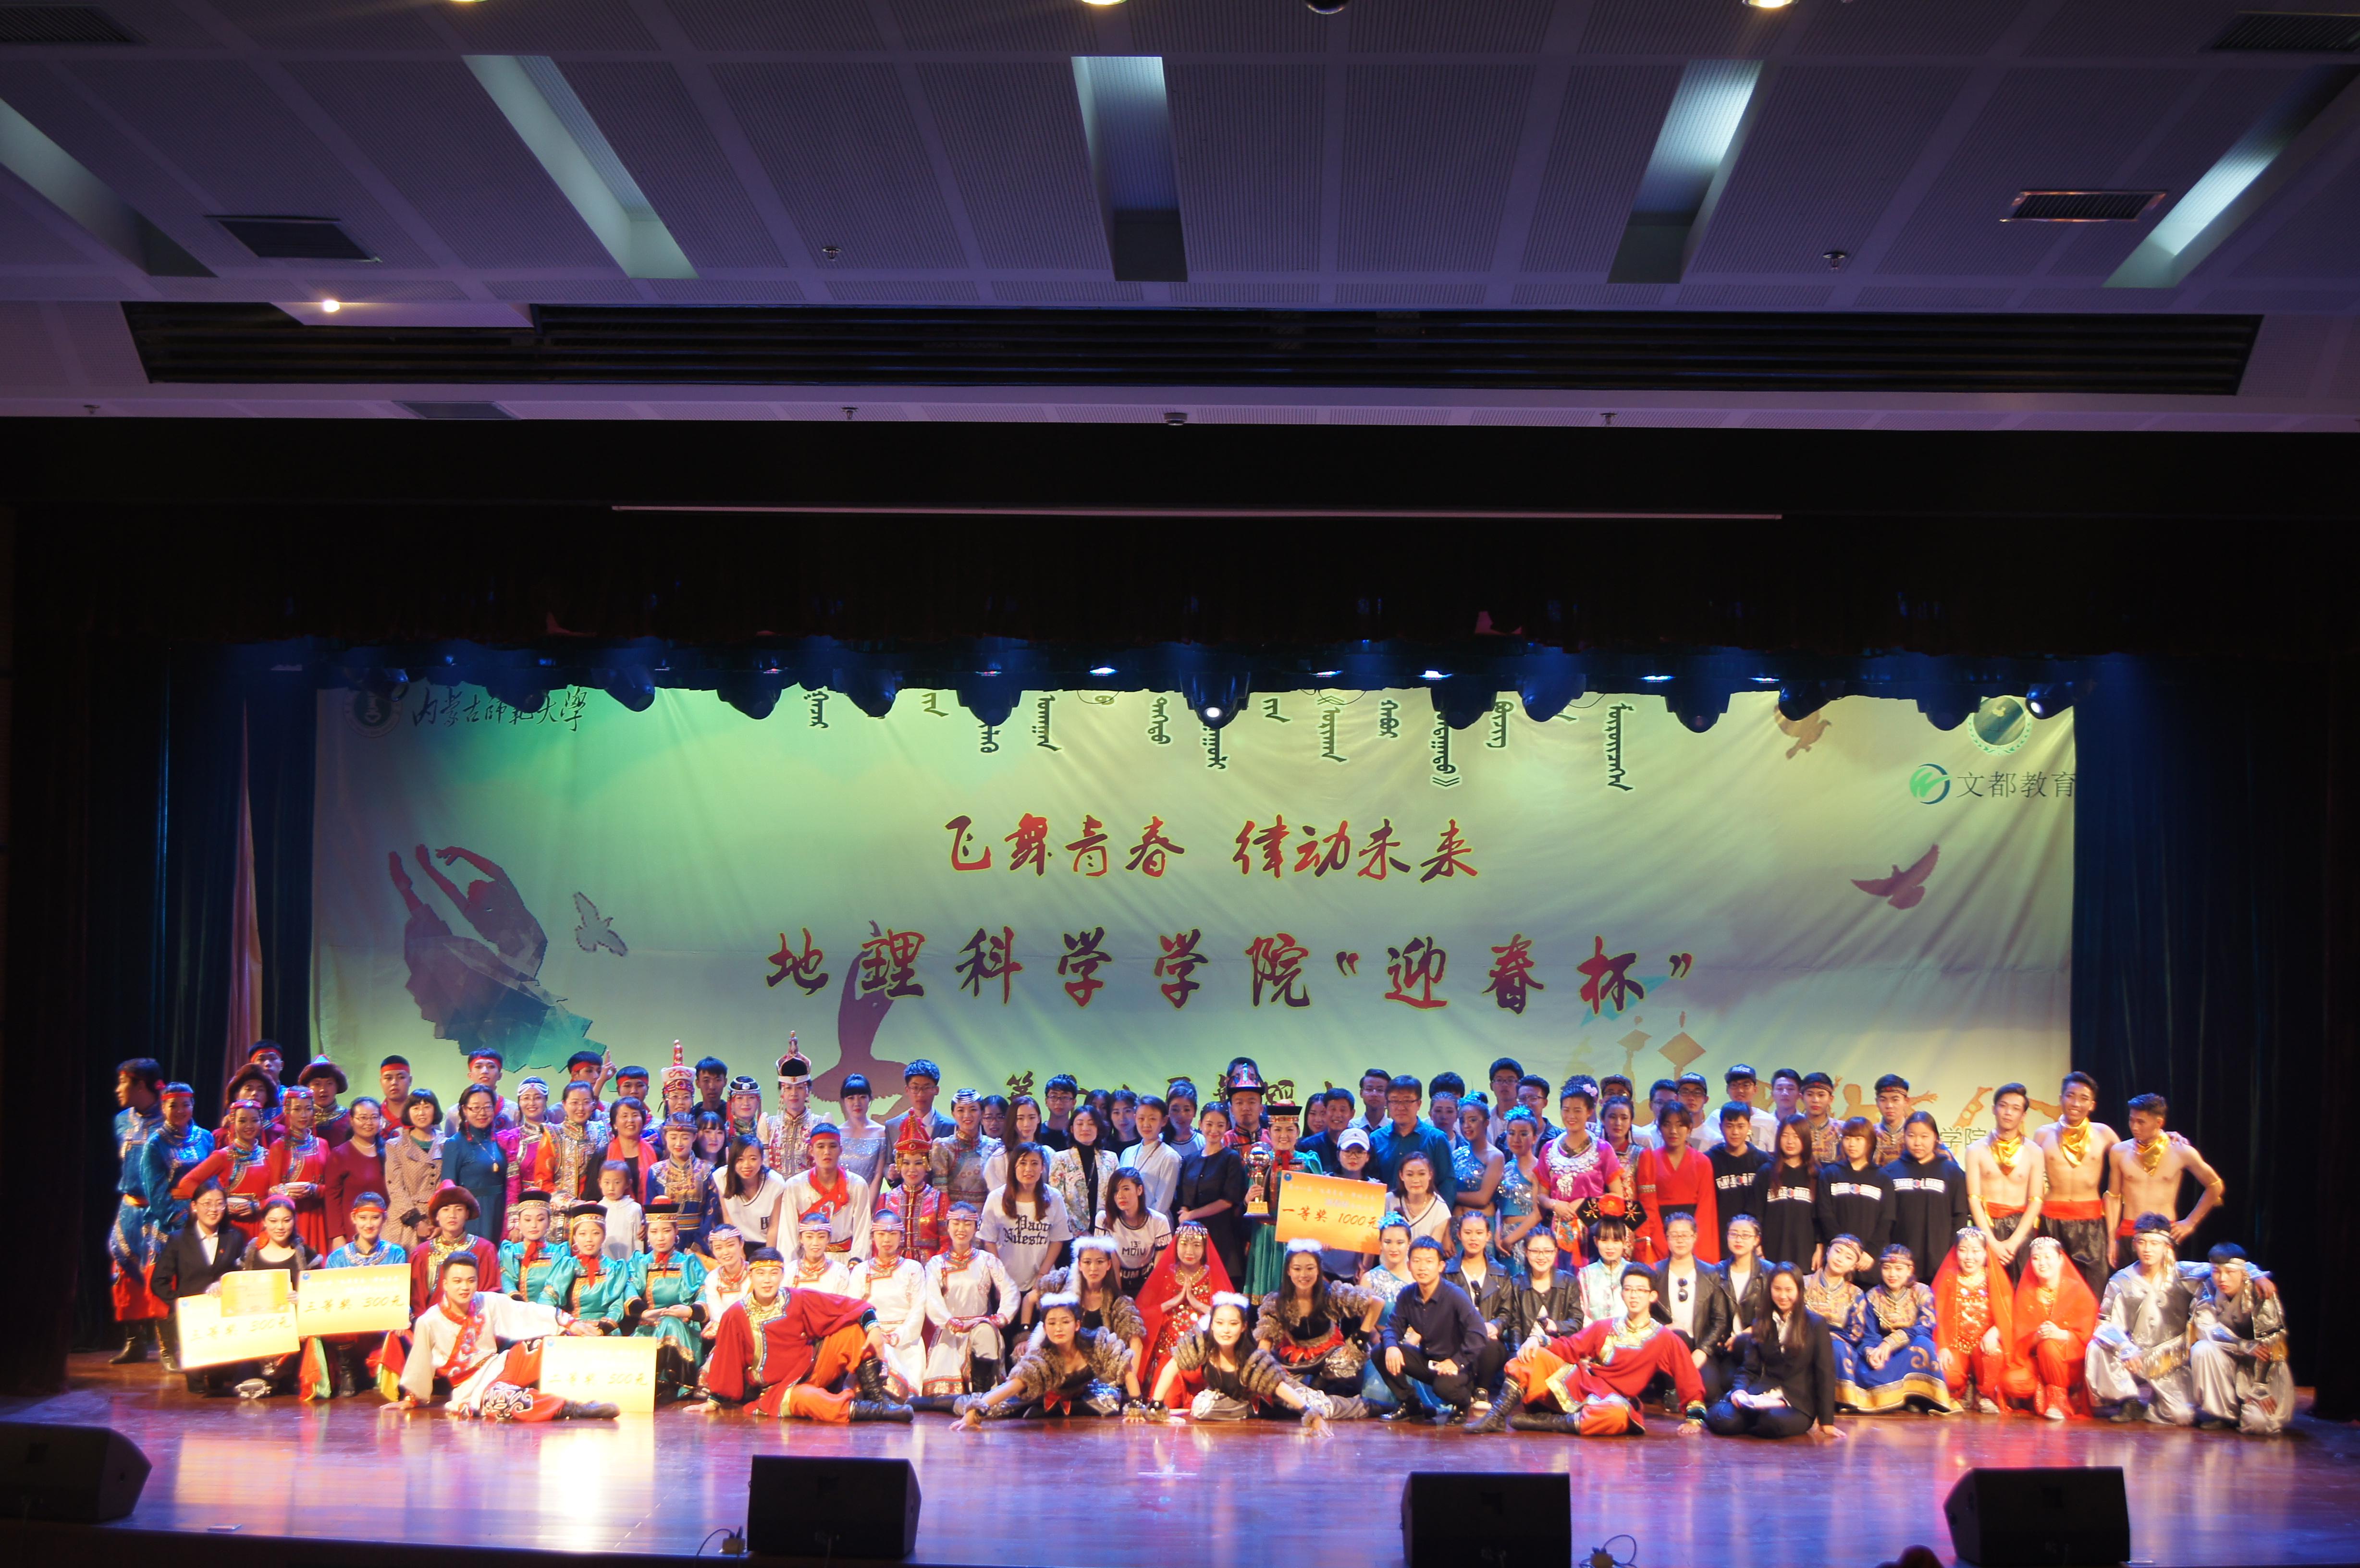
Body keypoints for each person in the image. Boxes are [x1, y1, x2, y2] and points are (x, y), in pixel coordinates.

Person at [1474, 1265, 1706, 1435]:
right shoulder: (1605, 1326)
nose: (1634, 1295)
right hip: (1584, 1385)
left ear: (1652, 1296)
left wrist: (1694, 1419)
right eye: (1629, 1289)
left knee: (1616, 1417)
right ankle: (1496, 1417)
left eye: (1641, 1290)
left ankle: (1545, 1423)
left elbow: (1687, 1374)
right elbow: (1570, 1348)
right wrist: (1539, 1340)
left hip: (1615, 1401)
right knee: (1533, 1356)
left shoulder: (1664, 1338)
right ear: (1622, 1293)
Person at [395, 1251, 619, 1421]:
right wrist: (412, 1398)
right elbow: (420, 1362)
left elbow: (525, 1312)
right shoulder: (429, 1321)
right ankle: (574, 1408)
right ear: (445, 1284)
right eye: (457, 1281)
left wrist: (569, 1322)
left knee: (551, 1343)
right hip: (473, 1387)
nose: (465, 1287)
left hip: (501, 1365)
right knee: (508, 1400)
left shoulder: (486, 1301)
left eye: (471, 1281)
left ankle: (605, 1386)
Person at [1155, 1293, 1368, 1431]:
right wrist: (1157, 1407)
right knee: (1202, 1407)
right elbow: (1170, 1369)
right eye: (1220, 1323)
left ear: (1243, 1327)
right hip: (1246, 1404)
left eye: (1233, 1324)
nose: (1226, 1330)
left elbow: (1280, 1387)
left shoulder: (1250, 1358)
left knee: (1326, 1408)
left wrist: (1309, 1413)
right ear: (1212, 1325)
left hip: (1279, 1395)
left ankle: (1373, 1405)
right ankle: (1255, 1410)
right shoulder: (1202, 1346)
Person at [1703, 1262, 1843, 1441]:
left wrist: (1827, 1422)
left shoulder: (1816, 1324)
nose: (1783, 1296)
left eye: (1789, 1290)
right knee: (1723, 1419)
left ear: (1799, 1290)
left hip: (1796, 1403)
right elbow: (1749, 1369)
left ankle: (1750, 1423)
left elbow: (1826, 1373)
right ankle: (1747, 1420)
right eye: (1777, 1289)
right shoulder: (1762, 1322)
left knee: (1773, 1422)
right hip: (1762, 1396)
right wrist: (1739, 1391)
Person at [2085, 1213, 2200, 1425]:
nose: (2148, 1249)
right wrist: (2125, 1347)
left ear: (2167, 1246)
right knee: (2097, 1347)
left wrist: (2254, 1273)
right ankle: (2129, 1400)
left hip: (2170, 1360)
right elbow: (2105, 1324)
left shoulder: (2183, 1274)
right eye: (2142, 1242)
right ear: (2135, 1244)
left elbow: (2221, 1269)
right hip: (2135, 1357)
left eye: (2155, 1244)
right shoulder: (2121, 1280)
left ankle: (2155, 1405)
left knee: (2183, 1416)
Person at [1378, 1236, 1507, 1423]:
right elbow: (1393, 1327)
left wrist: (1457, 1362)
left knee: (1444, 1387)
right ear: (1409, 1265)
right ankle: (1411, 1404)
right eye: (1417, 1261)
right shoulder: (1407, 1295)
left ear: (1441, 1266)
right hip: (1428, 1361)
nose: (1422, 1267)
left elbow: (1478, 1331)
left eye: (1429, 1262)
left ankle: (1463, 1404)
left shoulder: (1454, 1294)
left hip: (1457, 1365)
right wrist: (1391, 1346)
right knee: (1381, 1351)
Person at [958, 1293, 1141, 1424]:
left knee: (1110, 1403)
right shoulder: (1042, 1358)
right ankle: (944, 1402)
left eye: (1065, 1322)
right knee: (984, 1407)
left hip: (1084, 1396)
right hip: (1039, 1398)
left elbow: (1127, 1369)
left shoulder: (1097, 1343)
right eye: (1052, 1323)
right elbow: (1013, 1386)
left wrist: (1136, 1407)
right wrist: (975, 1410)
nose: (1058, 1329)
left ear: (1077, 1325)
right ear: (1045, 1328)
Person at [2105, 1092, 2224, 1268]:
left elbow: (2215, 1185)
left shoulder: (2180, 1151)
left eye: (2141, 1122)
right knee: (2128, 1284)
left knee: (2164, 1285)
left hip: (2163, 1233)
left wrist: (2190, 1223)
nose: (2134, 1127)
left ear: (2159, 1123)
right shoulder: (2120, 1151)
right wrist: (2111, 1239)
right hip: (2129, 1232)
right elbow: (2113, 1197)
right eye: (2131, 1120)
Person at [311, 1191, 408, 1399]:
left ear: (384, 1219)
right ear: (354, 1218)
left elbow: (400, 1292)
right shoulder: (338, 1257)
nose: (369, 1224)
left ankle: (381, 1371)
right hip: (349, 1323)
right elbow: (331, 1297)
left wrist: (402, 1315)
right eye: (363, 1218)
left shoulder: (396, 1253)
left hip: (383, 1320)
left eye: (375, 1218)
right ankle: (347, 1370)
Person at [152, 1182, 248, 1392]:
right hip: (192, 1321)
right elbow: (159, 1281)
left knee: (221, 1384)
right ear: (194, 1206)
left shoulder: (234, 1237)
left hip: (224, 1316)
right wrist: (179, 1304)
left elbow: (243, 1275)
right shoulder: (179, 1240)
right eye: (207, 1204)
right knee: (197, 1388)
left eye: (220, 1204)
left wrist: (226, 1285)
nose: (213, 1209)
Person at [1257, 1238, 1384, 1396]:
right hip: (1293, 1361)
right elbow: (1265, 1344)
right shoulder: (1277, 1302)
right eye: (1297, 1269)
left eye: (1310, 1268)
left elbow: (1377, 1303)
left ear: (1319, 1269)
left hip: (1328, 1355)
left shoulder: (1332, 1294)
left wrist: (1361, 1337)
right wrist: (1264, 1366)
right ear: (1289, 1271)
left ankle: (1319, 1386)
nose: (1304, 1275)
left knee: (1349, 1362)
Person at [2188, 1243, 2292, 1433]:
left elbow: (2271, 1343)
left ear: (2243, 1272)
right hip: (2229, 1357)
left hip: (2262, 1368)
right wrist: (2243, 1345)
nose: (2222, 1278)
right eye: (2217, 1272)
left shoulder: (2260, 1290)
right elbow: (2207, 1329)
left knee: (2258, 1424)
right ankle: (2223, 1414)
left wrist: (2261, 1386)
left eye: (2230, 1272)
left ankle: (2251, 1409)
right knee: (2202, 1349)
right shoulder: (2208, 1286)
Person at [107, 1062, 172, 1365]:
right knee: (124, 1275)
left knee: (159, 1275)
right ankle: (135, 1342)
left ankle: (167, 1346)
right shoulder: (122, 1121)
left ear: (141, 1086)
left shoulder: (170, 1120)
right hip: (129, 1208)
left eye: (123, 1083)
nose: (118, 1090)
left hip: (159, 1210)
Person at [2033, 1070, 2118, 1301]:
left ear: (2092, 1105)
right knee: (2050, 1291)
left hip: (2091, 1223)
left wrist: (2166, 1137)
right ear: (2060, 1098)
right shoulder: (2043, 1134)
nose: (2076, 1103)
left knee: (2093, 1293)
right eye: (2070, 1096)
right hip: (2052, 1220)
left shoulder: (2104, 1133)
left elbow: (2133, 1157)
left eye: (2083, 1098)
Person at [1835, 1245, 1951, 1413]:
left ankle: (1919, 1397)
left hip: (1909, 1350)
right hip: (1885, 1356)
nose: (1892, 1274)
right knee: (1860, 1365)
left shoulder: (1922, 1292)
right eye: (1887, 1268)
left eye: (1899, 1269)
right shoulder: (1872, 1296)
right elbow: (1869, 1336)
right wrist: (1872, 1354)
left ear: (1910, 1270)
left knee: (1924, 1345)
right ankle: (1894, 1399)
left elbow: (1926, 1327)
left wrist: (1891, 1343)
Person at [221, 1195, 315, 1399]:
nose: (280, 1227)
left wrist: (303, 1298)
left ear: (295, 1220)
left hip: (295, 1330)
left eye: (286, 1220)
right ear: (264, 1222)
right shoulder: (252, 1253)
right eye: (273, 1221)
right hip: (258, 1328)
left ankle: (284, 1378)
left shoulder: (305, 1254)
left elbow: (319, 1292)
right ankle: (257, 1379)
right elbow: (235, 1287)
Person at [922, 1203, 1018, 1397]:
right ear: (948, 1226)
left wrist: (998, 1319)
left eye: (968, 1224)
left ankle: (982, 1398)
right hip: (950, 1333)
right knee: (944, 1396)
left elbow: (1011, 1289)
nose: (961, 1229)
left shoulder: (987, 1260)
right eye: (956, 1223)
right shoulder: (937, 1264)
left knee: (985, 1339)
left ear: (976, 1228)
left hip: (980, 1329)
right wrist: (953, 1324)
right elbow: (932, 1299)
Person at [2003, 1234, 2099, 1420]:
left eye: (2048, 1257)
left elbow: (2090, 1335)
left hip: (2069, 1362)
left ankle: (2058, 1400)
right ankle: (2042, 1393)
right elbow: (2019, 1341)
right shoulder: (2026, 1293)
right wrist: (2036, 1338)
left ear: (2061, 1260)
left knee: (2049, 1347)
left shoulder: (2077, 1290)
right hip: (2038, 1365)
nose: (2042, 1263)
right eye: (2036, 1258)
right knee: (2010, 1382)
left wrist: (2061, 1335)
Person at [1138, 1220, 1231, 1396]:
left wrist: (1199, 1305)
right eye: (1184, 1244)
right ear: (1175, 1245)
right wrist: (1171, 1303)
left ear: (1204, 1248)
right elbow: (1142, 1315)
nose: (1190, 1251)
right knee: (1167, 1400)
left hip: (1203, 1355)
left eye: (1196, 1245)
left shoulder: (1213, 1276)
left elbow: (1230, 1318)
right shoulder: (1165, 1273)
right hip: (1168, 1353)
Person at [1966, 1083, 2046, 1284]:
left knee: (2022, 1290)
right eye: (2003, 1106)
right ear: (1994, 1109)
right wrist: (1991, 1242)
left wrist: (2015, 1241)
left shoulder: (2035, 1152)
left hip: (2021, 1230)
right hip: (1987, 1226)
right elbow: (1974, 1199)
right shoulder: (1976, 1150)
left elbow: (2036, 1200)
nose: (2008, 1113)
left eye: (2016, 1108)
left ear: (2024, 1115)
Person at [1653, 1212, 1736, 1404]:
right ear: (1666, 1238)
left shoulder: (1711, 1273)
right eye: (1674, 1235)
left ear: (1695, 1237)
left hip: (1700, 1344)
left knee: (1709, 1391)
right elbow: (1646, 1314)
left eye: (1685, 1235)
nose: (1680, 1240)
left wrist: (1703, 1350)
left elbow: (1720, 1320)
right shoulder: (1655, 1272)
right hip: (1667, 1346)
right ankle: (1672, 1387)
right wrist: (1662, 1329)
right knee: (1677, 1335)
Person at [630, 1200, 709, 1397]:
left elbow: (704, 1292)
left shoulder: (688, 1262)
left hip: (683, 1328)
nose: (660, 1237)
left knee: (670, 1323)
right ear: (647, 1235)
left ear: (676, 1232)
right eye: (654, 1232)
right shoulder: (641, 1263)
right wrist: (645, 1313)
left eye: (666, 1231)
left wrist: (689, 1311)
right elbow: (630, 1290)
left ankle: (669, 1381)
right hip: (648, 1328)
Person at [1931, 1226, 2013, 1412]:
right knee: (1948, 1376)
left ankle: (1985, 1395)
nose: (1969, 1257)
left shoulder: (1994, 1278)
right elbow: (1936, 1316)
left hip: (1984, 1346)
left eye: (1976, 1251)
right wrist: (1942, 1347)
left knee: (1994, 1354)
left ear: (1985, 1253)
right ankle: (1963, 1388)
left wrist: (1995, 1333)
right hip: (1955, 1346)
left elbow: (2008, 1315)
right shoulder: (1949, 1277)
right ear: (1956, 1252)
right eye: (1963, 1250)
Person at [1539, 1086, 1622, 1265]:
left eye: (1578, 1110)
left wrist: (1586, 1203)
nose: (1571, 1116)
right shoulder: (1548, 1149)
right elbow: (1542, 1196)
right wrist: (1555, 1204)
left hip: (1592, 1230)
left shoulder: (1603, 1149)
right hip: (1559, 1229)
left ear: (1589, 1112)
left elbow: (1618, 1196)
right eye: (1566, 1110)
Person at [1885, 1111, 1970, 1283]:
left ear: (1936, 1138)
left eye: (1925, 1136)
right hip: (1901, 1264)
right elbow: (1885, 1219)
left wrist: (1953, 1252)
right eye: (1911, 1136)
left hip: (1941, 1262)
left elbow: (1960, 1216)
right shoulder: (1890, 1172)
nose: (1918, 1142)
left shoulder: (1952, 1172)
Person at [850, 1212, 929, 1397]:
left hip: (906, 1344)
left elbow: (918, 1310)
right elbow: (854, 1309)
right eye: (881, 1234)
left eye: (893, 1234)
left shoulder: (913, 1268)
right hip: (871, 1338)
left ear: (902, 1237)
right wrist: (874, 1334)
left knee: (904, 1396)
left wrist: (895, 1337)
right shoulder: (860, 1271)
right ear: (873, 1237)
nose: (887, 1239)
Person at [175, 1098, 276, 1238]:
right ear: (233, 1123)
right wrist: (216, 1204)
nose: (249, 1126)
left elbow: (278, 1193)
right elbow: (187, 1182)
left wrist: (259, 1205)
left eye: (255, 1120)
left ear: (261, 1123)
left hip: (262, 1226)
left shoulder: (268, 1156)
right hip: (231, 1228)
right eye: (242, 1121)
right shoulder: (223, 1156)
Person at [535, 1203, 643, 1332]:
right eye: (583, 1234)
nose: (589, 1240)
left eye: (596, 1233)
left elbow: (617, 1306)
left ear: (604, 1236)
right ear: (575, 1237)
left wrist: (602, 1330)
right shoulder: (566, 1266)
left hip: (605, 1331)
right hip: (573, 1329)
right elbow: (548, 1298)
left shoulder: (615, 1269)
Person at [1634, 1104, 1719, 1266]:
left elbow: (1706, 1210)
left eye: (1680, 1125)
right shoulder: (1649, 1160)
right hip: (1658, 1232)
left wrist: (1693, 1243)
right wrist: (1661, 1243)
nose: (1673, 1131)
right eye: (1667, 1125)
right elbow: (1647, 1205)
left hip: (1693, 1233)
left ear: (1689, 1128)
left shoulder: (1703, 1162)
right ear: (1659, 1128)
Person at [1175, 1105, 1248, 1284]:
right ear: (1200, 1124)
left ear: (1227, 1127)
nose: (1214, 1130)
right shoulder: (1189, 1160)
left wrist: (1191, 1215)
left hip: (1222, 1235)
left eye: (1220, 1125)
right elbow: (1183, 1196)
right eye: (1209, 1124)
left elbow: (1229, 1200)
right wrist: (1185, 1217)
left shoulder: (1231, 1158)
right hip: (1192, 1238)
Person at [782, 1122, 872, 1263]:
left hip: (845, 1260)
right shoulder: (795, 1185)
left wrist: (857, 1264)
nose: (827, 1152)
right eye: (820, 1146)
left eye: (833, 1146)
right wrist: (790, 1268)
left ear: (841, 1149)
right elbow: (788, 1234)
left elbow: (863, 1231)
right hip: (806, 1261)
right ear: (811, 1151)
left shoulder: (857, 1185)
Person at [1818, 1117, 1892, 1283]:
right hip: (1838, 1260)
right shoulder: (1831, 1174)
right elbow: (1825, 1214)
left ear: (1870, 1142)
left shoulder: (1882, 1178)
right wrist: (1844, 1250)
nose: (1852, 1144)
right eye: (1848, 1138)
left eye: (1859, 1139)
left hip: (1868, 1261)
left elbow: (1886, 1219)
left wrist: (1871, 1252)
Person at [1045, 1104, 1120, 1257]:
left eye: (1091, 1123)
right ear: (1072, 1129)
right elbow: (1058, 1199)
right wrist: (1081, 1232)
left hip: (1105, 1233)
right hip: (1069, 1236)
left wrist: (1104, 1227)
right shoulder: (1060, 1159)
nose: (1085, 1128)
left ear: (1098, 1128)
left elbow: (1117, 1194)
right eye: (1080, 1124)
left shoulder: (1111, 1158)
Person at [1496, 1228, 1584, 1350]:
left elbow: (1577, 1321)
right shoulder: (1516, 1283)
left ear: (1555, 1252)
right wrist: (1517, 1353)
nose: (1541, 1257)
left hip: (1559, 1349)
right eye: (1535, 1251)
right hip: (1527, 1351)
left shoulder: (1569, 1282)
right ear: (1526, 1252)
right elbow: (1515, 1327)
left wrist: (1558, 1326)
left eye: (1548, 1251)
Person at [443, 1085, 509, 1243]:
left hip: (502, 1211)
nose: (482, 1113)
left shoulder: (502, 1140)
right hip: (474, 1215)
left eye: (487, 1107)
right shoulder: (455, 1144)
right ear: (464, 1110)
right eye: (476, 1108)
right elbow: (448, 1189)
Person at [320, 1097, 386, 1252]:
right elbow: (332, 1199)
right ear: (351, 1120)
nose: (369, 1123)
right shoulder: (340, 1155)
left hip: (386, 1230)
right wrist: (337, 1236)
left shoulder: (390, 1150)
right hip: (352, 1233)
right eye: (363, 1118)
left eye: (374, 1117)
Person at [1369, 1075, 1454, 1191]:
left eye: (1407, 1101)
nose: (1401, 1107)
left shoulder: (1436, 1139)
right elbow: (1371, 1180)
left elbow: (1447, 1182)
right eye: (1395, 1101)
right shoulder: (1376, 1138)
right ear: (1387, 1104)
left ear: (1419, 1104)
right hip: (1385, 1202)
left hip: (1427, 1202)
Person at [709, 1135, 791, 1250]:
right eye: (740, 1160)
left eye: (753, 1159)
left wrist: (768, 1255)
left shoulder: (775, 1182)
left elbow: (774, 1226)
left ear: (762, 1159)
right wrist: (738, 1250)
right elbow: (728, 1218)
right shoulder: (722, 1177)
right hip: (737, 1243)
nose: (746, 1165)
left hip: (766, 1244)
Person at [1707, 1102, 1771, 1247]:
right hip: (1720, 1241)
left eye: (1741, 1126)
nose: (1735, 1132)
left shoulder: (1763, 1161)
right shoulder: (1709, 1161)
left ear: (1749, 1127)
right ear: (1720, 1127)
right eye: (1729, 1126)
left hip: (1754, 1242)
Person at [1806, 1236, 1867, 1386]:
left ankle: (1839, 1395)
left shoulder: (1855, 1294)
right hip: (1803, 1339)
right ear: (1828, 1252)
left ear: (1854, 1266)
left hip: (1838, 1346)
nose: (1840, 1259)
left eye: (1848, 1257)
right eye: (1838, 1252)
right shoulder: (1803, 1283)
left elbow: (1856, 1332)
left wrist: (1827, 1338)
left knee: (1837, 1349)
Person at [646, 1113, 712, 1249]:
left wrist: (700, 1244)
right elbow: (651, 1214)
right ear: (665, 1137)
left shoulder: (707, 1170)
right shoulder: (656, 1171)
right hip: (665, 1239)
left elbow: (711, 1212)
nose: (679, 1143)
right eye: (673, 1137)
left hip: (698, 1239)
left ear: (694, 1137)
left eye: (685, 1138)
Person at [878, 1136, 946, 1263]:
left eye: (919, 1163)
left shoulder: (939, 1199)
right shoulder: (886, 1199)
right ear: (899, 1164)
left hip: (930, 1267)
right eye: (906, 1163)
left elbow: (946, 1242)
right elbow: (877, 1243)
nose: (912, 1169)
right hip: (893, 1267)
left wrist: (936, 1268)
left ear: (927, 1164)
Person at [1105, 1168, 1171, 1295]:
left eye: (1126, 1189)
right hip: (1116, 1284)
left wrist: (1148, 1298)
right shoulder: (1105, 1219)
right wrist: (1120, 1298)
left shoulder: (1159, 1221)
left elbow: (1160, 1268)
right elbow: (1113, 1264)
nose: (1120, 1196)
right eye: (1115, 1191)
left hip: (1148, 1284)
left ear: (1139, 1190)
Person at [931, 1089, 1000, 1208]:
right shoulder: (943, 1147)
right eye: (961, 1110)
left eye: (973, 1110)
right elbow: (940, 1192)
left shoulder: (995, 1147)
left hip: (987, 1213)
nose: (967, 1116)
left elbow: (999, 1191)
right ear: (953, 1114)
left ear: (982, 1113)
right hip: (954, 1215)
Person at [1120, 1095, 1182, 1215]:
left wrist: (1141, 1222)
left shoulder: (1170, 1157)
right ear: (1135, 1118)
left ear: (1164, 1121)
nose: (1146, 1124)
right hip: (1126, 1220)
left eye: (1153, 1119)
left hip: (1154, 1222)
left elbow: (1162, 1203)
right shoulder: (1128, 1152)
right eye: (1141, 1118)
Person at [1495, 1109, 1544, 1261]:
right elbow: (1500, 1205)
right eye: (1511, 1133)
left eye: (1523, 1134)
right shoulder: (1507, 1167)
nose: (1516, 1139)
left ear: (1534, 1138)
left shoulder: (1538, 1169)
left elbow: (1538, 1213)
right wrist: (1498, 1232)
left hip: (1526, 1237)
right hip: (1503, 1238)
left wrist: (1510, 1239)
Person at [759, 1049, 816, 1179]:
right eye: (789, 1088)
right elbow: (763, 1165)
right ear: (782, 1092)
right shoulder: (768, 1124)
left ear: (808, 1091)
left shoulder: (820, 1124)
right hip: (775, 1188)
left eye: (800, 1088)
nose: (794, 1093)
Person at [1720, 1214, 1771, 1354]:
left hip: (1758, 1343)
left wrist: (1750, 1332)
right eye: (1733, 1234)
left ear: (1756, 1240)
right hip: (1724, 1346)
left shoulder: (1770, 1272)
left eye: (1745, 1235)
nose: (1739, 1240)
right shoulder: (1717, 1271)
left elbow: (1776, 1314)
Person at [1576, 1215, 1638, 1329]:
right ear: (1596, 1241)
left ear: (1625, 1242)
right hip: (1595, 1334)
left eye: (1616, 1241)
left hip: (1629, 1334)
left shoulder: (1634, 1272)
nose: (1610, 1247)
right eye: (1604, 1240)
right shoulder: (1586, 1275)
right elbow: (1581, 1312)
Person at [500, 1189, 562, 1302]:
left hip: (549, 1309)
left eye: (541, 1219)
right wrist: (514, 1296)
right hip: (517, 1308)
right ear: (519, 1222)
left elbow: (558, 1285)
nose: (534, 1225)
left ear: (549, 1222)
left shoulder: (559, 1252)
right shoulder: (510, 1251)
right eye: (528, 1220)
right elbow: (506, 1279)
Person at [835, 1074, 893, 1190]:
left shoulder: (881, 1133)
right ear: (843, 1101)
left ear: (870, 1099)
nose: (857, 1103)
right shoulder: (836, 1134)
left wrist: (868, 1202)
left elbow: (878, 1176)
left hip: (870, 1197)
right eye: (851, 1098)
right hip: (839, 1197)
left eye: (862, 1097)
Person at [883, 1058, 955, 1150]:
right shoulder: (892, 1126)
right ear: (907, 1090)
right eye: (915, 1088)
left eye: (927, 1088)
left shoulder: (952, 1127)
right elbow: (889, 1159)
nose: (921, 1094)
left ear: (936, 1090)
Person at [699, 1226, 752, 1346]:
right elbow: (717, 1315)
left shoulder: (755, 1273)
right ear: (713, 1251)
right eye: (719, 1248)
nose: (726, 1252)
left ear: (741, 1244)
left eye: (731, 1245)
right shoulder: (713, 1278)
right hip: (727, 1334)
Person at [1392, 1151, 1453, 1253]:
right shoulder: (1388, 1201)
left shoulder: (1440, 1208)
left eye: (1422, 1174)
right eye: (1410, 1175)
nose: (1416, 1180)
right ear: (1401, 1176)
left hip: (1422, 1262)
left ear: (1430, 1175)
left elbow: (1432, 1252)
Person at [787, 1206, 855, 1296]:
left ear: (829, 1239)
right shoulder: (790, 1271)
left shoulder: (840, 1272)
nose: (815, 1243)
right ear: (801, 1238)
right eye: (809, 1237)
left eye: (821, 1237)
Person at [1715, 1065, 1778, 1153]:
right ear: (1727, 1090)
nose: (1740, 1090)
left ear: (1755, 1090)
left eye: (1746, 1085)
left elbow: (1773, 1155)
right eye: (1734, 1085)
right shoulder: (1716, 1117)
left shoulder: (1769, 1121)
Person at [296, 1057, 352, 1146]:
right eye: (317, 1084)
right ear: (308, 1087)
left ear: (337, 1086)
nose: (323, 1090)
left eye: (329, 1083)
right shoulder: (298, 1119)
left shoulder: (350, 1118)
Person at [594, 1160, 643, 1260]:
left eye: (617, 1183)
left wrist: (639, 1262)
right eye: (607, 1183)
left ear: (628, 1183)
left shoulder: (634, 1209)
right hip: (604, 1262)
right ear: (600, 1183)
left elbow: (638, 1241)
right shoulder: (598, 1209)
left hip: (628, 1261)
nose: (611, 1188)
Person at [1870, 1075, 1918, 1166]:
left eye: (1895, 1100)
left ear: (1906, 1101)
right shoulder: (1870, 1135)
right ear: (1877, 1102)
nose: (1889, 1106)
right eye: (1883, 1100)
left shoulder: (1918, 1134)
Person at [1800, 1072, 1841, 1165]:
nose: (1815, 1100)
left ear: (1831, 1099)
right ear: (1802, 1098)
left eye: (1821, 1095)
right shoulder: (1792, 1128)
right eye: (1810, 1095)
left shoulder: (1842, 1130)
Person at [1038, 1072, 1080, 1152]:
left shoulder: (1078, 1134)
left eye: (1065, 1097)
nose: (1059, 1102)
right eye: (1054, 1097)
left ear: (1074, 1103)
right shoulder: (1036, 1133)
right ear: (1046, 1101)